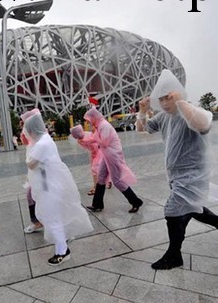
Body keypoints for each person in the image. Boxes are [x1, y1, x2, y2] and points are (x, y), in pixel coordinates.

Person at [135, 69, 218, 270]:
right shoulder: (164, 117)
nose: (164, 103)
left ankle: (174, 255)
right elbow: (142, 128)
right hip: (175, 175)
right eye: (161, 99)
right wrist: (143, 111)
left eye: (168, 98)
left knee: (172, 211)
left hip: (193, 174)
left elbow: (204, 125)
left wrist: (181, 102)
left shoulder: (191, 110)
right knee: (192, 207)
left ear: (178, 95)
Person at [22, 110, 93, 265]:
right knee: (55, 216)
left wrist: (29, 153)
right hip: (51, 183)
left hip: (49, 186)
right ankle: (63, 242)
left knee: (52, 218)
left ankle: (62, 251)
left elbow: (30, 163)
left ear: (32, 131)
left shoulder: (41, 144)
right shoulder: (46, 138)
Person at [83, 106, 143, 213]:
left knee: (117, 181)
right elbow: (94, 139)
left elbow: (104, 142)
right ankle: (97, 204)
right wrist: (83, 139)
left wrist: (95, 139)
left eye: (90, 119)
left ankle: (136, 201)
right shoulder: (99, 126)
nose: (89, 122)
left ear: (94, 117)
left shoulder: (104, 125)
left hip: (113, 156)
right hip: (107, 156)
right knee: (101, 178)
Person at [70, 124, 111, 195]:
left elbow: (94, 139)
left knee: (95, 169)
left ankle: (96, 187)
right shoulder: (83, 138)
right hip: (94, 153)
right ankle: (107, 181)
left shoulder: (83, 139)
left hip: (98, 152)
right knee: (98, 169)